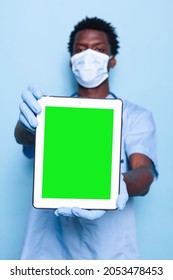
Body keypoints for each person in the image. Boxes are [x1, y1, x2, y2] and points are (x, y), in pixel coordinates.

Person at [14, 17, 158, 260]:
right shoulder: (51, 112)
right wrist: (28, 124)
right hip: (49, 252)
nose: (88, 56)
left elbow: (144, 174)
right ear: (72, 61)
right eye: (80, 50)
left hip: (110, 253)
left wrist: (113, 185)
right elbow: (24, 138)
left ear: (111, 61)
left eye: (99, 50)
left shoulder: (135, 116)